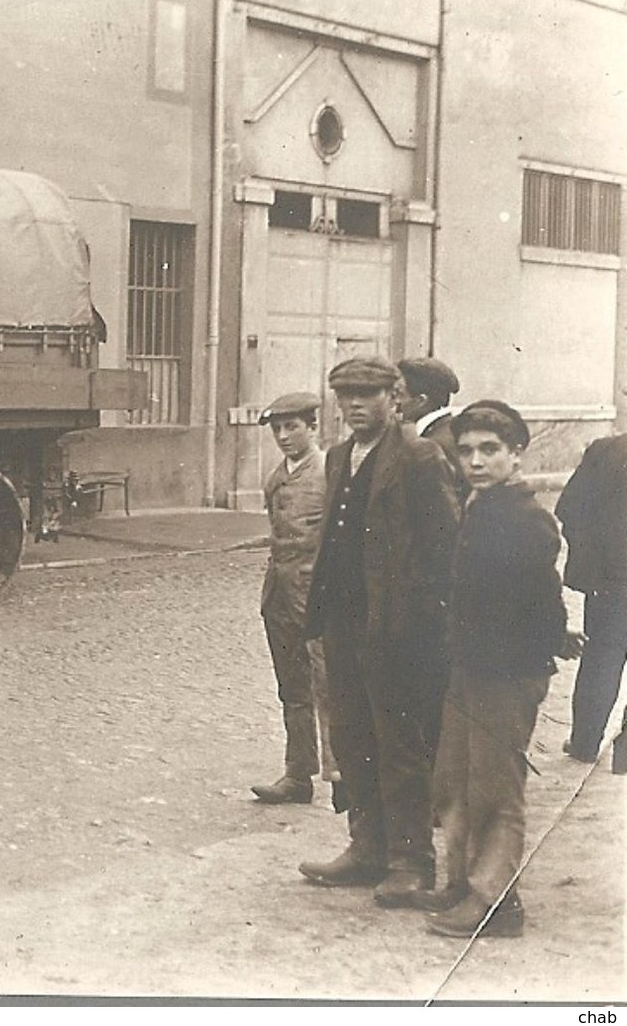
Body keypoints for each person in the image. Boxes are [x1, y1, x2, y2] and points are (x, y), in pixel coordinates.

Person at [298, 357, 459, 907]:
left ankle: (411, 862)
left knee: (400, 745)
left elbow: (444, 547)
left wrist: (424, 624)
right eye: (345, 398)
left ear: (394, 399)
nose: (354, 406)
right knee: (352, 738)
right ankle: (366, 848)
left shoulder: (420, 456)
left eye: (367, 395)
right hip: (344, 622)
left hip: (396, 628)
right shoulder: (340, 457)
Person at [420, 400, 578, 938]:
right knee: (452, 781)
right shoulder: (480, 507)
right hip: (469, 669)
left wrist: (548, 645)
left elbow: (541, 600)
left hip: (505, 675)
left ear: (516, 454)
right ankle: (463, 880)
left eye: (490, 450)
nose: (476, 461)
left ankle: (497, 902)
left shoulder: (528, 519)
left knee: (495, 789)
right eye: (466, 451)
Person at [250, 391, 341, 807]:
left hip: (317, 596)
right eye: (277, 429)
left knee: (330, 684)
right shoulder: (276, 475)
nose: (284, 436)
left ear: (312, 428)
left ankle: (344, 775)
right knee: (293, 688)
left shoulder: (329, 472)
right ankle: (297, 775)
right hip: (280, 595)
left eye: (292, 427)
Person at [554, 430, 627, 769]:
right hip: (611, 581)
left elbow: (569, 508)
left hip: (611, 584)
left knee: (600, 659)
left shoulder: (606, 450)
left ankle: (585, 741)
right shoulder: (605, 449)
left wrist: (593, 562)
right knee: (601, 659)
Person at [396, 357, 462, 480]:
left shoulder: (436, 445)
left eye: (398, 395)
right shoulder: (447, 430)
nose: (394, 402)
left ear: (421, 401)